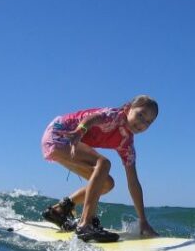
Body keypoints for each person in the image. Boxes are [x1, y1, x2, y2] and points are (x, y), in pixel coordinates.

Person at [40, 95, 159, 243]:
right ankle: (85, 225)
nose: (142, 123)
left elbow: (133, 182)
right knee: (103, 163)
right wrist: (80, 130)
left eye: (148, 122)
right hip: (60, 134)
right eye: (140, 115)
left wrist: (143, 220)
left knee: (107, 184)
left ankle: (60, 210)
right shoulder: (114, 116)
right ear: (128, 109)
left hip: (67, 144)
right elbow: (93, 118)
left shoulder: (126, 145)